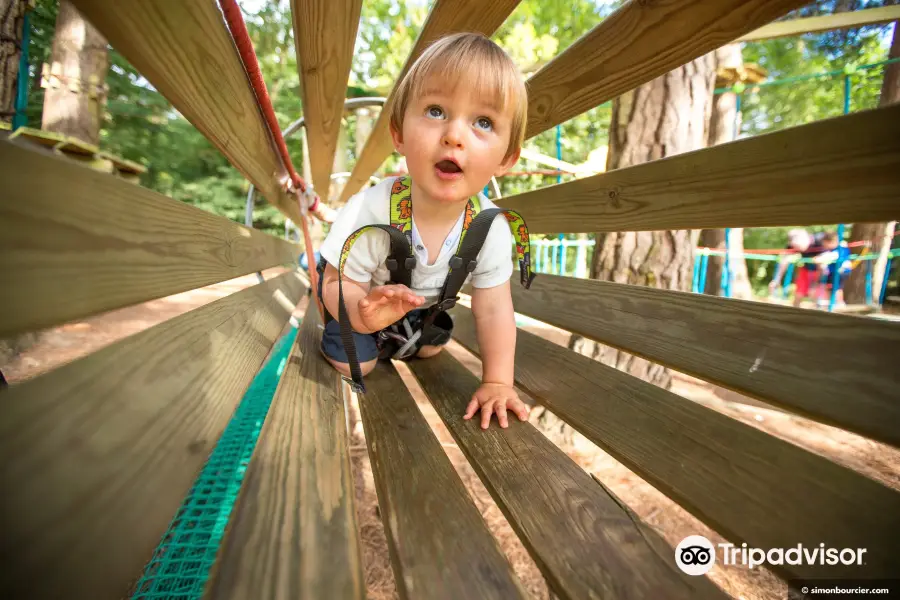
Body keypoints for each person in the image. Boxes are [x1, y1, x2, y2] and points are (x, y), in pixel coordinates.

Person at [315, 32, 531, 430]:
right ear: (398, 133)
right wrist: (361, 317)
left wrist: (498, 380)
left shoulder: (490, 229)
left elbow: (495, 307)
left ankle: (399, 335)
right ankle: (367, 334)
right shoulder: (371, 209)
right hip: (358, 292)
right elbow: (336, 281)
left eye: (483, 122)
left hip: (416, 307)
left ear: (507, 158)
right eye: (435, 111)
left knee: (430, 348)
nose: (454, 135)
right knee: (356, 361)